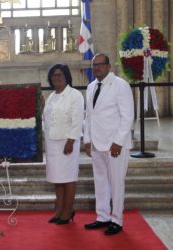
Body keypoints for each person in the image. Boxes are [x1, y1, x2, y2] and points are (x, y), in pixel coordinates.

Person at [83, 53, 134, 235]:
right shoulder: (90, 87)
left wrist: (118, 142)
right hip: (96, 144)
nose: (96, 68)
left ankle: (117, 220)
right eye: (94, 65)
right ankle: (102, 216)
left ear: (109, 65)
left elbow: (128, 116)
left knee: (116, 183)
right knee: (100, 182)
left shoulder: (121, 85)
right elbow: (88, 116)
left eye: (100, 65)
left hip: (115, 145)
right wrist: (87, 139)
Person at [42, 64, 84, 224]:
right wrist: (41, 107)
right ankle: (59, 210)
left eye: (59, 75)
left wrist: (71, 141)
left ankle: (68, 211)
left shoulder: (75, 95)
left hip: (67, 142)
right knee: (57, 179)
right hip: (53, 143)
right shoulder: (52, 96)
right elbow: (48, 119)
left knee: (68, 178)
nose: (56, 78)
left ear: (67, 76)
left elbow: (77, 120)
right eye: (53, 76)